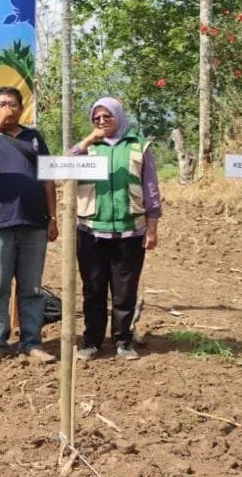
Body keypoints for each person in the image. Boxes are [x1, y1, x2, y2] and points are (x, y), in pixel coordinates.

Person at [0, 87, 58, 365]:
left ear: (21, 108)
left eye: (13, 104)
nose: (8, 108)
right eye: (2, 104)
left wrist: (52, 218)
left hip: (34, 223)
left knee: (31, 288)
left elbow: (48, 179)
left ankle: (32, 343)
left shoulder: (34, 138)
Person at [71, 97, 161, 361]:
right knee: (93, 290)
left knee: (125, 291)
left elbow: (151, 190)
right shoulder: (88, 148)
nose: (101, 121)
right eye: (96, 118)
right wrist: (89, 139)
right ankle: (92, 341)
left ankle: (123, 340)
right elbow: (63, 166)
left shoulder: (139, 147)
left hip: (130, 232)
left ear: (119, 116)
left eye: (107, 116)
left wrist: (152, 228)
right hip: (90, 231)